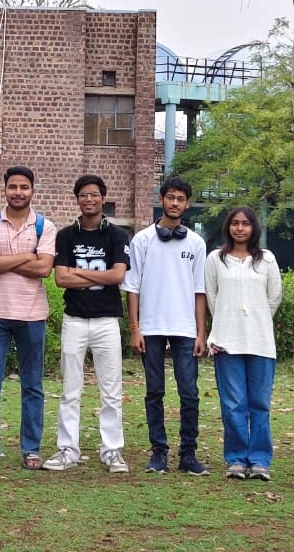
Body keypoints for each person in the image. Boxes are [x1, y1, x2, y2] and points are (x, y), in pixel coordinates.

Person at [0, 166, 56, 470]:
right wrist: (27, 256)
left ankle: (31, 448)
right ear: (4, 189)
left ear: (33, 190)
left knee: (32, 385)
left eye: (24, 187)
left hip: (32, 313)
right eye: (13, 187)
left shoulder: (44, 227)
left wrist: (2, 259)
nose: (18, 192)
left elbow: (44, 269)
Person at [44, 174, 130, 474]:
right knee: (70, 389)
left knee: (111, 390)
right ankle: (68, 449)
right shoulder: (67, 235)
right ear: (77, 199)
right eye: (83, 195)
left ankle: (112, 450)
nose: (89, 199)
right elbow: (60, 278)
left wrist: (79, 274)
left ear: (103, 198)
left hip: (107, 320)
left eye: (94, 194)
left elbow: (117, 276)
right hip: (75, 320)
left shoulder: (117, 235)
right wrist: (99, 276)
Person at [124, 175, 208, 475]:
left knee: (190, 393)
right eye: (170, 197)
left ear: (187, 204)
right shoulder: (142, 240)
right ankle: (158, 452)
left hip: (185, 329)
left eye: (180, 199)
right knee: (154, 391)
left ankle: (188, 454)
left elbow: (200, 290)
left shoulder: (196, 243)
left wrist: (201, 332)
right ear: (161, 200)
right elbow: (132, 288)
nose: (175, 203)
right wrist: (135, 328)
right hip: (151, 328)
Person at [204, 206, 282, 481]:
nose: (240, 228)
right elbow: (212, 298)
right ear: (228, 227)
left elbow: (274, 298)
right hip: (227, 342)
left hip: (260, 341)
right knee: (233, 404)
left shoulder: (267, 259)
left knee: (259, 403)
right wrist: (229, 322)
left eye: (245, 224)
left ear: (253, 228)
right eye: (235, 223)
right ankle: (236, 459)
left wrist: (255, 319)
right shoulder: (216, 259)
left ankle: (260, 460)